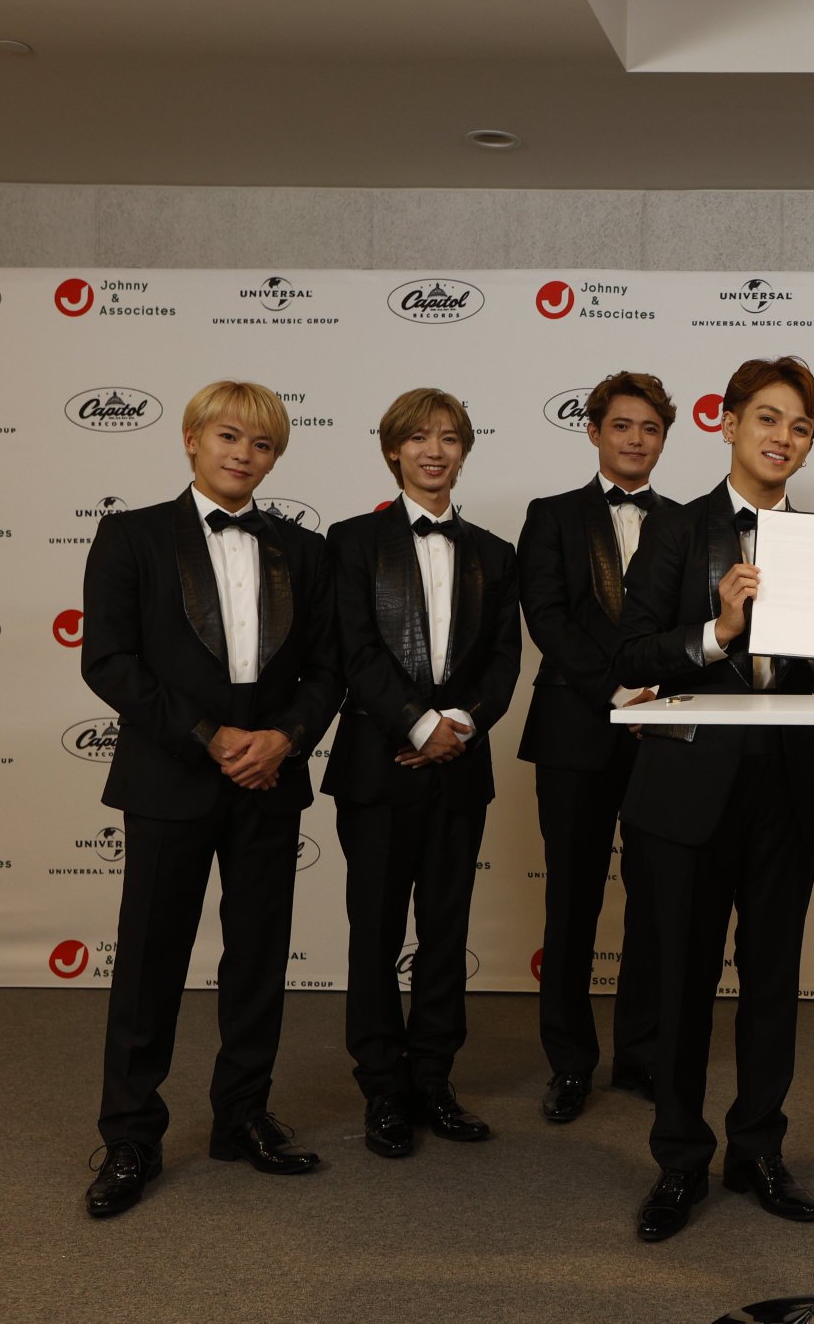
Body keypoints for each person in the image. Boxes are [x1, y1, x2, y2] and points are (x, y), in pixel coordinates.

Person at [79, 379, 343, 1217]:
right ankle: (131, 1136)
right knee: (149, 960)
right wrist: (209, 736)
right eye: (229, 436)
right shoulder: (132, 536)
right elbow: (109, 661)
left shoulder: (305, 550)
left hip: (269, 780)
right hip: (170, 777)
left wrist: (284, 738)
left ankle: (243, 1116)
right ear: (192, 438)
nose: (243, 454)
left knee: (258, 958)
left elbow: (328, 669)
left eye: (262, 444)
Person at [613, 356, 814, 1243]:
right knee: (680, 983)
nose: (783, 437)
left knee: (773, 982)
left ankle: (758, 1149)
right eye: (768, 419)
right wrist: (718, 630)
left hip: (784, 788)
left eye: (800, 426)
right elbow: (630, 655)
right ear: (729, 423)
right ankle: (679, 1159)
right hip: (684, 790)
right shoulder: (676, 529)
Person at [322, 389, 521, 1158]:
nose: (434, 450)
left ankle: (434, 1079)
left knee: (446, 931)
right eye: (418, 438)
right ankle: (382, 1088)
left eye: (448, 438)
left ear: (464, 450)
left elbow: (505, 661)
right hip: (376, 770)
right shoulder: (351, 541)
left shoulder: (496, 554)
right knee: (374, 932)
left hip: (460, 770)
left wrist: (458, 726)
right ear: (392, 450)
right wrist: (416, 724)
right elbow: (354, 649)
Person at [519, 373, 675, 1124]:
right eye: (621, 425)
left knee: (655, 900)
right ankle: (570, 1062)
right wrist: (618, 692)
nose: (635, 439)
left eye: (650, 428)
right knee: (572, 899)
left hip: (663, 734)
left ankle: (640, 1056)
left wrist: (657, 695)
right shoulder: (551, 515)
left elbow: (696, 627)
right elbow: (547, 618)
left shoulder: (686, 522)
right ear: (593, 431)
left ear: (664, 438)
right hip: (575, 729)